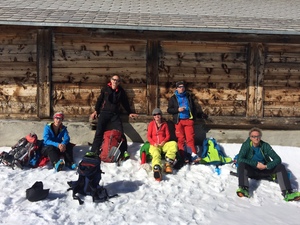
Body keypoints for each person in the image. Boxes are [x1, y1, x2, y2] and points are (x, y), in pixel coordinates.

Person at [236, 127, 300, 201]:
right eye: (253, 136)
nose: (256, 138)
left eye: (258, 136)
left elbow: (277, 159)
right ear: (250, 137)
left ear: (260, 137)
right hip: (252, 171)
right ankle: (244, 189)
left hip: (264, 170)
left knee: (280, 166)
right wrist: (255, 164)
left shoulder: (265, 146)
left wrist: (267, 166)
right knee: (242, 164)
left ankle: (288, 193)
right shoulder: (246, 145)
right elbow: (239, 159)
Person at [90, 75, 138, 155]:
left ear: (119, 82)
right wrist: (96, 111)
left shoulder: (121, 91)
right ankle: (93, 151)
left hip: (115, 114)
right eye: (114, 80)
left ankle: (123, 151)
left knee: (120, 132)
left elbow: (125, 102)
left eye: (117, 80)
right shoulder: (105, 89)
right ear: (111, 80)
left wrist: (129, 112)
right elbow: (100, 100)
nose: (115, 81)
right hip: (104, 113)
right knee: (99, 132)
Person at [167, 81, 200, 164]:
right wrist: (177, 110)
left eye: (183, 87)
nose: (181, 88)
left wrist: (193, 118)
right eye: (180, 87)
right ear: (177, 88)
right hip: (179, 121)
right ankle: (183, 155)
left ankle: (193, 155)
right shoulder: (173, 98)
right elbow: (169, 110)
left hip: (188, 120)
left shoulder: (188, 97)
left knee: (190, 138)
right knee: (180, 139)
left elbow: (194, 108)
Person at [147, 108, 178, 181]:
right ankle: (157, 167)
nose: (156, 116)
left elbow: (168, 136)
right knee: (156, 153)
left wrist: (164, 141)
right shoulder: (151, 124)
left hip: (163, 144)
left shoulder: (165, 124)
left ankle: (168, 164)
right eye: (155, 115)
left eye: (158, 114)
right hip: (155, 145)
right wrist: (153, 143)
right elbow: (148, 136)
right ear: (153, 117)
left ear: (161, 115)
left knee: (173, 144)